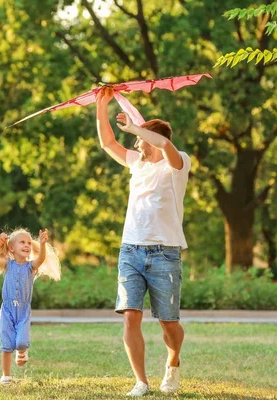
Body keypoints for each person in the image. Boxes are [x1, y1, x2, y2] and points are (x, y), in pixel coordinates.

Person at [96, 87, 191, 397]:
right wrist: (102, 105)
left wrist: (136, 126)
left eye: (139, 137)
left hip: (165, 253)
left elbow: (163, 144)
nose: (135, 142)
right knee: (130, 315)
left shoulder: (177, 165)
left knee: (168, 324)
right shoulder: (137, 164)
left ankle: (173, 361)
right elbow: (107, 142)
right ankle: (142, 382)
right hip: (131, 250)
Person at [0, 228, 61, 384]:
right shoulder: (8, 264)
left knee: (21, 342)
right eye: (22, 242)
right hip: (7, 310)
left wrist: (42, 244)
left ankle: (22, 351)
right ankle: (6, 376)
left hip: (23, 311)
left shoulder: (31, 266)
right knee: (6, 345)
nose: (26, 245)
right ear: (12, 248)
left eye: (28, 242)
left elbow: (40, 260)